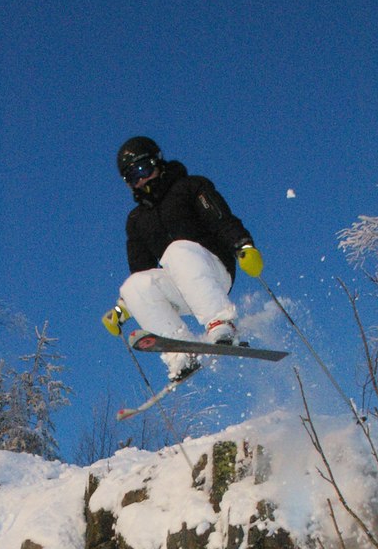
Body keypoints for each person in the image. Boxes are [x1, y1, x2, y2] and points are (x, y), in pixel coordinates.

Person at [104, 136, 263, 381]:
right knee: (134, 285)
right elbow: (142, 270)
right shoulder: (136, 220)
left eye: (143, 169)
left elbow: (222, 220)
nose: (141, 180)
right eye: (132, 177)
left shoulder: (191, 187)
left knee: (176, 251)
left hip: (213, 270)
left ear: (157, 162)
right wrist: (123, 307)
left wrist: (243, 245)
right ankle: (180, 352)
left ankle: (221, 323)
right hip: (180, 288)